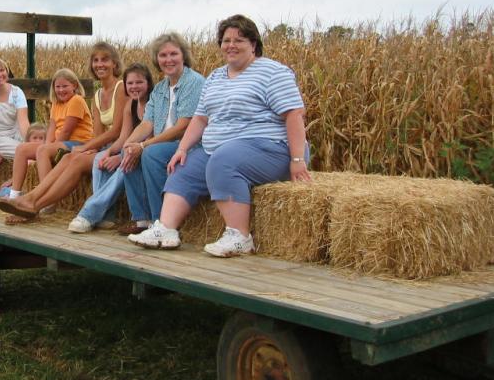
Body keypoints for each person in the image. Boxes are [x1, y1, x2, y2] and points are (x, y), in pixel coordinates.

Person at [128, 14, 311, 256]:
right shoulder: (216, 77)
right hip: (221, 149)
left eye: (239, 40)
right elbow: (200, 119)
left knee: (223, 160)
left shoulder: (273, 72)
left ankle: (239, 236)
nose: (231, 45)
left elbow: (294, 115)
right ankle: (166, 229)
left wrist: (297, 160)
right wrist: (182, 149)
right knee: (184, 166)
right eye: (226, 40)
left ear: (254, 44)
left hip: (272, 148)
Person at [0, 42, 125, 222]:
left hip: (120, 147)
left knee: (73, 158)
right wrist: (91, 148)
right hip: (101, 147)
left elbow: (117, 131)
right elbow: (98, 133)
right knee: (67, 158)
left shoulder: (121, 88)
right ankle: (28, 201)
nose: (99, 64)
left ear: (115, 64)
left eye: (105, 59)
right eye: (95, 60)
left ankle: (33, 204)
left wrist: (86, 147)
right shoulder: (97, 94)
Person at [117, 33, 205, 233]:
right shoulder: (159, 89)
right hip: (162, 143)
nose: (168, 59)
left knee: (151, 154)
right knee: (129, 151)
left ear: (184, 56)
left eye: (173, 54)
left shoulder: (194, 82)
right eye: (163, 55)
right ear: (156, 60)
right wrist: (129, 145)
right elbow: (147, 123)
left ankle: (161, 222)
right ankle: (142, 219)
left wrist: (144, 145)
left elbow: (184, 126)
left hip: (189, 145)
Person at [67, 63, 154, 232]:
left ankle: (88, 214)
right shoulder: (131, 105)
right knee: (100, 159)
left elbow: (151, 138)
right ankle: (107, 216)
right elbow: (124, 137)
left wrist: (120, 157)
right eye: (130, 83)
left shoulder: (153, 102)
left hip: (146, 150)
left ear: (148, 83)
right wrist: (108, 152)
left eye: (139, 82)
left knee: (126, 162)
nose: (134, 87)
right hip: (130, 148)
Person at [2, 68, 93, 201]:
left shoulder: (76, 100)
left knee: (44, 150)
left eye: (65, 86)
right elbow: (52, 127)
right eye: (58, 87)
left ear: (74, 85)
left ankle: (46, 199)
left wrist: (48, 149)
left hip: (78, 143)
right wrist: (47, 145)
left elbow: (67, 131)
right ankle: (14, 196)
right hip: (61, 143)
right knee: (22, 149)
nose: (61, 90)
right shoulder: (56, 104)